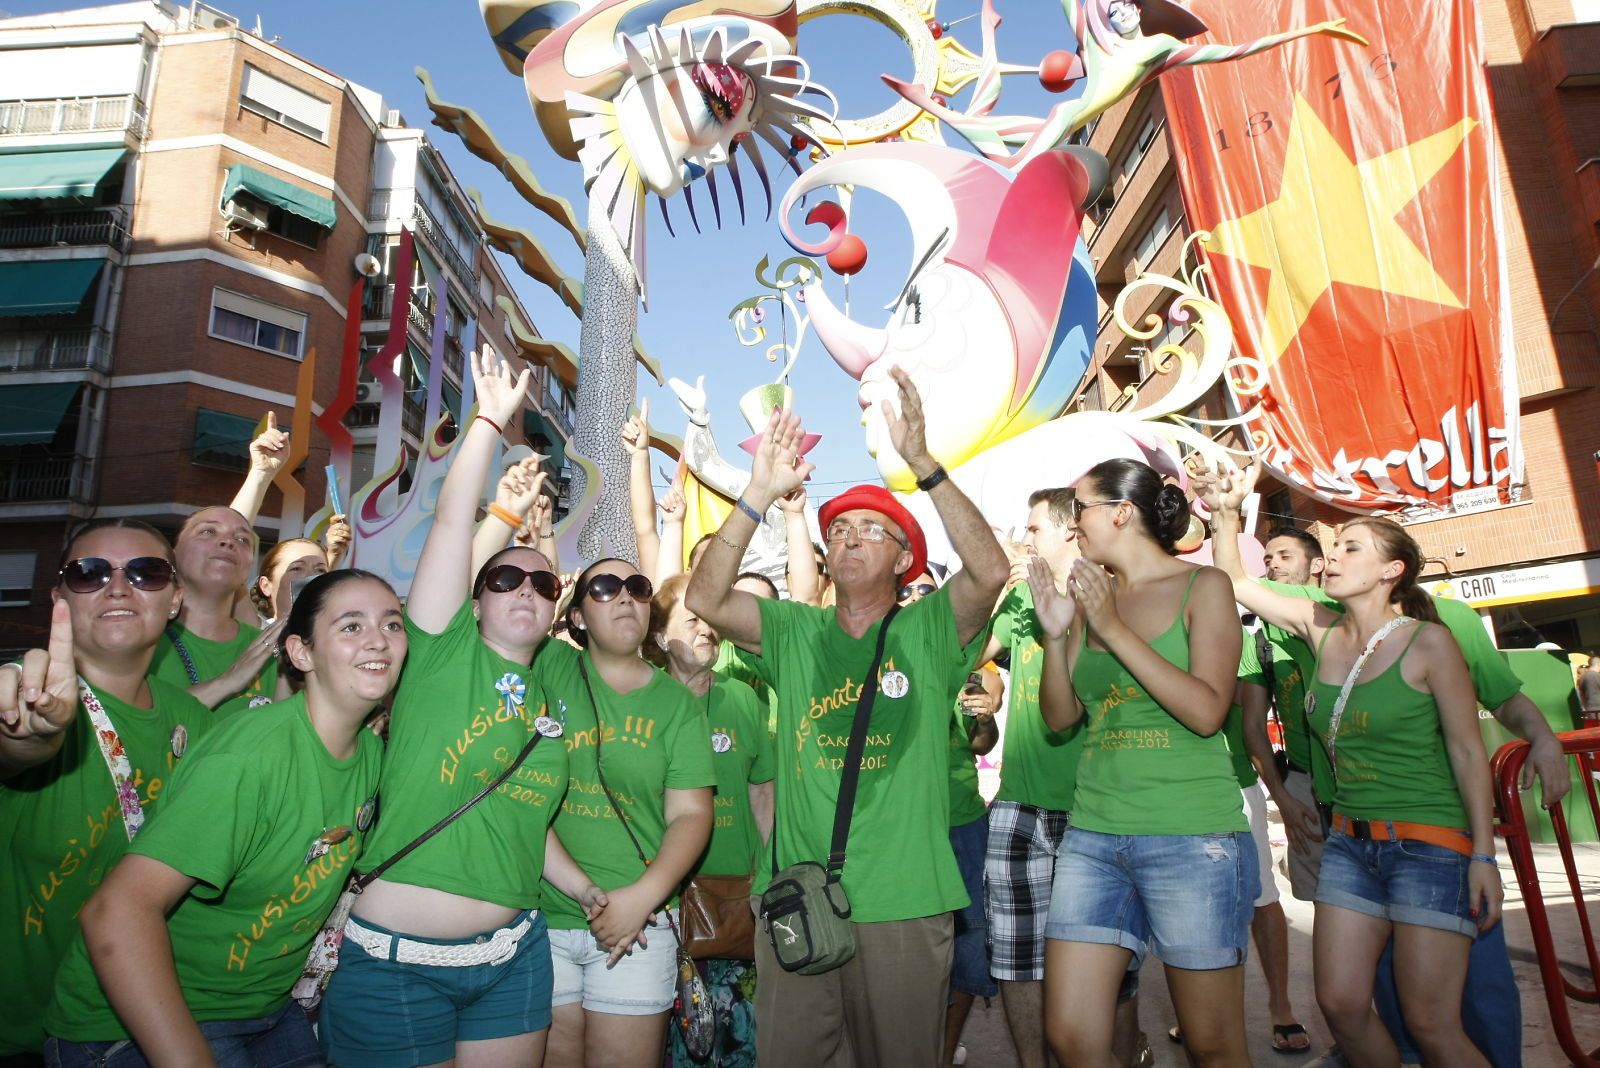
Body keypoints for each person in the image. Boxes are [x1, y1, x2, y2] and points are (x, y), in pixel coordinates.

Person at [686, 366, 1009, 1068]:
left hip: (904, 901)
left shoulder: (927, 631)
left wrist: (922, 463)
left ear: (903, 560)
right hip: (798, 902)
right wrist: (758, 494)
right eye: (840, 529)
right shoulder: (793, 631)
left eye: (873, 529)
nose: (851, 537)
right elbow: (707, 599)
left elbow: (989, 573)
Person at [1197, 463, 1568, 1068]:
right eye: (1333, 547)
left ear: (1392, 571)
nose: (1331, 556)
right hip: (1348, 845)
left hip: (1429, 845)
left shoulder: (1432, 642)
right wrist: (1227, 509)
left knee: (1432, 1024)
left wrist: (1481, 855)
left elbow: (1467, 751)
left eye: (1350, 547)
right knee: (1342, 1005)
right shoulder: (1318, 627)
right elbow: (1233, 578)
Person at [319, 350, 602, 1068]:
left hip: (514, 957)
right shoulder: (441, 647)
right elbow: (451, 527)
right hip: (398, 962)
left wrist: (581, 887)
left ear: (555, 609)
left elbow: (513, 811)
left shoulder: (550, 697)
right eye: (506, 576)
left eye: (542, 585)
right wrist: (487, 421)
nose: (524, 590)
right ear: (477, 596)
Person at [41, 569, 404, 1066]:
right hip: (134, 1025)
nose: (378, 642)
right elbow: (115, 913)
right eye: (351, 627)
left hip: (267, 1011)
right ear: (300, 653)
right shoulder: (250, 757)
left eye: (392, 625)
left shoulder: (369, 754)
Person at [1026, 458, 1253, 1068]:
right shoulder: (1090, 596)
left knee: (1212, 1045)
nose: (1072, 527)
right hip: (1094, 836)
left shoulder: (1203, 587)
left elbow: (1207, 711)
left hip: (1192, 837)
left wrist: (1110, 626)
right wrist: (1056, 634)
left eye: (1081, 510)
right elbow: (1060, 717)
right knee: (1071, 1036)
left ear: (1121, 512)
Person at [0, 520, 214, 1061]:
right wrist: (27, 740)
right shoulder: (24, 694)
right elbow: (15, 749)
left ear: (175, 600)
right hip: (17, 1033)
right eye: (89, 573)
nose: (118, 587)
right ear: (60, 601)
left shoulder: (190, 718)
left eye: (146, 572)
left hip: (128, 1023)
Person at [541, 558, 715, 1068]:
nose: (624, 597)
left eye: (638, 588)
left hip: (637, 927)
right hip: (541, 920)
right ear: (575, 617)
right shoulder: (546, 667)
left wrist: (640, 899)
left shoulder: (677, 705)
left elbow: (690, 816)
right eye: (603, 587)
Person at [648, 575, 774, 1068]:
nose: (707, 630)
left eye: (711, 620)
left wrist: (769, 881)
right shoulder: (640, 701)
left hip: (734, 907)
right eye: (691, 619)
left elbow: (763, 795)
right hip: (657, 908)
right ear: (659, 637)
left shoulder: (743, 700)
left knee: (739, 1048)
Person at [245, 517, 352, 624]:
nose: (311, 577)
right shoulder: (254, 633)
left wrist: (334, 553)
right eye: (296, 568)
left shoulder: (337, 637)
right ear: (265, 586)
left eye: (320, 570)